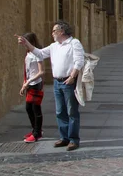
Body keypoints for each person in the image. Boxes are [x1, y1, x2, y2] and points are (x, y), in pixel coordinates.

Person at [16, 20, 85, 151]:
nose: (52, 33)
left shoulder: (74, 43)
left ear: (62, 31)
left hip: (68, 82)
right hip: (57, 82)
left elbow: (79, 61)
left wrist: (72, 77)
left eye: (54, 31)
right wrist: (27, 43)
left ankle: (73, 139)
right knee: (60, 111)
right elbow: (40, 53)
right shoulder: (54, 46)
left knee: (72, 111)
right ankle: (64, 138)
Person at [20, 33, 44, 143]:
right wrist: (24, 84)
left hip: (35, 84)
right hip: (29, 84)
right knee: (28, 108)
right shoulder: (28, 53)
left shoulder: (37, 53)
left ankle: (37, 134)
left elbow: (41, 72)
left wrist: (28, 82)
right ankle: (35, 130)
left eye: (25, 42)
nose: (24, 45)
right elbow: (28, 71)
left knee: (36, 109)